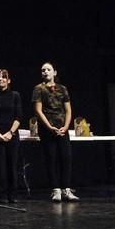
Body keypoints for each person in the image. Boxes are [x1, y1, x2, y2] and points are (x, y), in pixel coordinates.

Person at [32, 62, 79, 202]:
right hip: (48, 129)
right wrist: (49, 127)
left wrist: (65, 126)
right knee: (51, 158)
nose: (45, 72)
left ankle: (66, 189)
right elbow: (38, 110)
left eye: (48, 69)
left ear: (55, 72)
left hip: (62, 128)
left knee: (66, 157)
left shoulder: (62, 89)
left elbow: (68, 110)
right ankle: (55, 189)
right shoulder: (38, 89)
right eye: (43, 70)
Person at [0, 69, 23, 203]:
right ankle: (1, 194)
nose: (0, 79)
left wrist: (10, 133)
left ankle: (12, 194)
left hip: (11, 135)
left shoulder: (15, 95)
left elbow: (18, 116)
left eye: (4, 77)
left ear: (9, 80)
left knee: (12, 165)